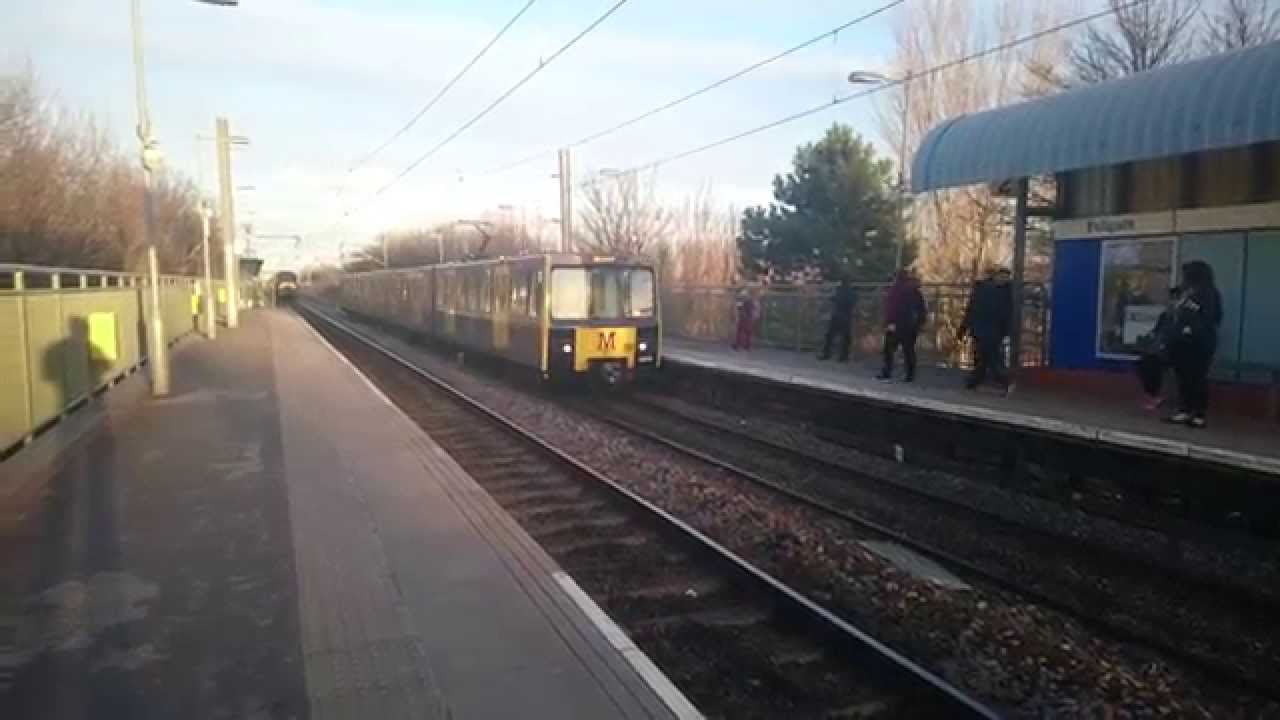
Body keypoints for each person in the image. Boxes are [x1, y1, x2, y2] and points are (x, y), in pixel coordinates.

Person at [1165, 261, 1222, 428]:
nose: (1184, 277)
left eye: (1187, 274)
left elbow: (1213, 317)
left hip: (1200, 342)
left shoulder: (1209, 293)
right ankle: (1184, 410)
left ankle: (1199, 415)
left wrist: (1194, 326)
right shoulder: (1186, 292)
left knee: (1198, 377)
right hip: (1182, 342)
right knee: (1183, 376)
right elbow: (1177, 311)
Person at [959, 266, 1013, 390]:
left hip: (987, 330)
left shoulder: (983, 289)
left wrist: (964, 328)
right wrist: (964, 328)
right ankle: (1001, 381)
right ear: (996, 276)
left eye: (1006, 278)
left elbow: (972, 309)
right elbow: (972, 310)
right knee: (990, 358)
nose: (1004, 280)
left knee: (984, 357)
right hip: (986, 330)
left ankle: (975, 382)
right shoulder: (1003, 292)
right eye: (1002, 277)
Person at [878, 269, 928, 382]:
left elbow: (890, 308)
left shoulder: (894, 290)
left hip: (895, 324)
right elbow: (921, 309)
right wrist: (920, 324)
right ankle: (910, 374)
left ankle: (887, 371)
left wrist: (888, 322)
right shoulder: (915, 291)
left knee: (889, 349)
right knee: (908, 350)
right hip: (910, 325)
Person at [1136, 286, 1180, 411]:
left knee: (1154, 363)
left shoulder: (1184, 316)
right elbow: (1156, 331)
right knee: (1144, 363)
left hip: (1176, 351)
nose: (1172, 302)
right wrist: (1148, 338)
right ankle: (1151, 394)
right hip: (1160, 350)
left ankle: (1154, 395)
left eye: (1176, 299)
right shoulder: (1164, 316)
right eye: (1171, 299)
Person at [819, 277, 858, 362]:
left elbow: (833, 299)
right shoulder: (852, 292)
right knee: (846, 338)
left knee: (830, 336)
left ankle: (826, 354)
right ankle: (843, 356)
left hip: (836, 316)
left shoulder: (838, 290)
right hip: (846, 317)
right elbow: (853, 303)